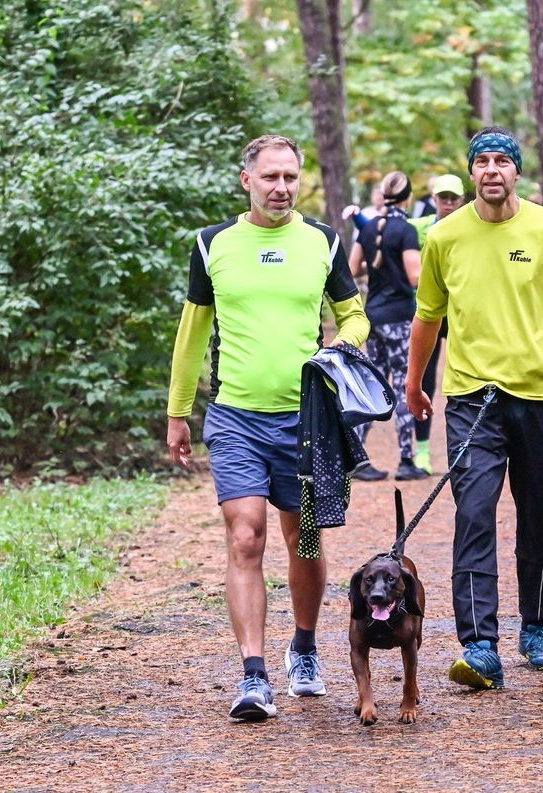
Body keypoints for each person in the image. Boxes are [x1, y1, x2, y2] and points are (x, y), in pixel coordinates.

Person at [165, 134, 369, 721]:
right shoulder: (213, 246)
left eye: (290, 178)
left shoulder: (324, 243)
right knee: (246, 535)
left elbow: (355, 316)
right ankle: (253, 675)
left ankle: (303, 648)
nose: (281, 188)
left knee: (303, 540)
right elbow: (192, 334)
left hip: (306, 420)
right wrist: (179, 411)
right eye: (270, 177)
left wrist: (340, 347)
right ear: (246, 180)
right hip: (235, 416)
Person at [405, 126, 543, 690]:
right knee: (474, 512)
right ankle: (479, 643)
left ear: (517, 170)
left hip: (539, 394)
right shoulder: (445, 236)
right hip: (472, 397)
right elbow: (428, 316)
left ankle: (536, 626)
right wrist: (415, 381)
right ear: (470, 172)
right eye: (482, 161)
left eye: (502, 160)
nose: (492, 170)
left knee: (539, 514)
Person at [348, 171, 428, 481]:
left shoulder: (367, 231)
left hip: (373, 317)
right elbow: (415, 277)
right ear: (407, 198)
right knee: (405, 385)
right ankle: (407, 461)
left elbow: (353, 269)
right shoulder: (405, 230)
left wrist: (380, 263)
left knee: (373, 386)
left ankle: (357, 458)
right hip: (399, 318)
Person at [407, 173, 466, 473]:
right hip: (430, 313)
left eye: (453, 198)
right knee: (425, 379)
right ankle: (422, 451)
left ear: (462, 200)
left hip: (460, 314)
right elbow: (393, 234)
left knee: (463, 379)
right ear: (434, 200)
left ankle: (467, 450)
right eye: (443, 198)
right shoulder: (419, 229)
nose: (448, 203)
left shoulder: (473, 229)